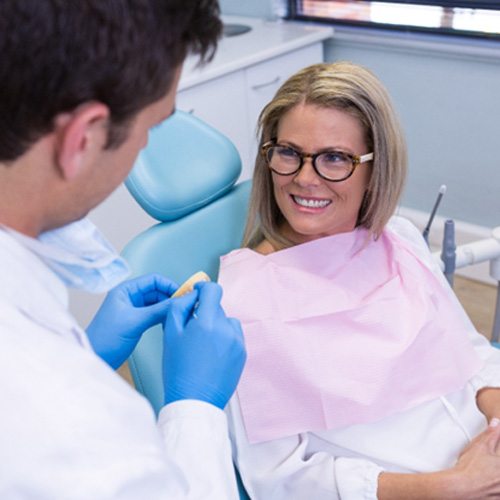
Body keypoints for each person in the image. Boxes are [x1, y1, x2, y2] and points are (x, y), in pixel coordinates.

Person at [218, 61, 500, 499]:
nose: (305, 178)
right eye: (289, 152)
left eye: (334, 158)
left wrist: (497, 422)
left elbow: (470, 353)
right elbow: (279, 479)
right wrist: (450, 487)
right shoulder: (243, 306)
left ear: (375, 168)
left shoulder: (398, 241)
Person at [0, 1, 246, 499]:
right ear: (84, 138)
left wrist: (89, 352)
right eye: (153, 127)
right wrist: (195, 408)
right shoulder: (84, 436)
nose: (145, 150)